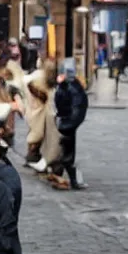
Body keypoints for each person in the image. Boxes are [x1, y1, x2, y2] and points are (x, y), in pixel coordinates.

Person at [50, 60, 88, 190]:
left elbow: (75, 107)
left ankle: (61, 177)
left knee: (66, 152)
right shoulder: (71, 86)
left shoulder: (68, 86)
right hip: (67, 123)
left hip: (66, 123)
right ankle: (64, 178)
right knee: (66, 153)